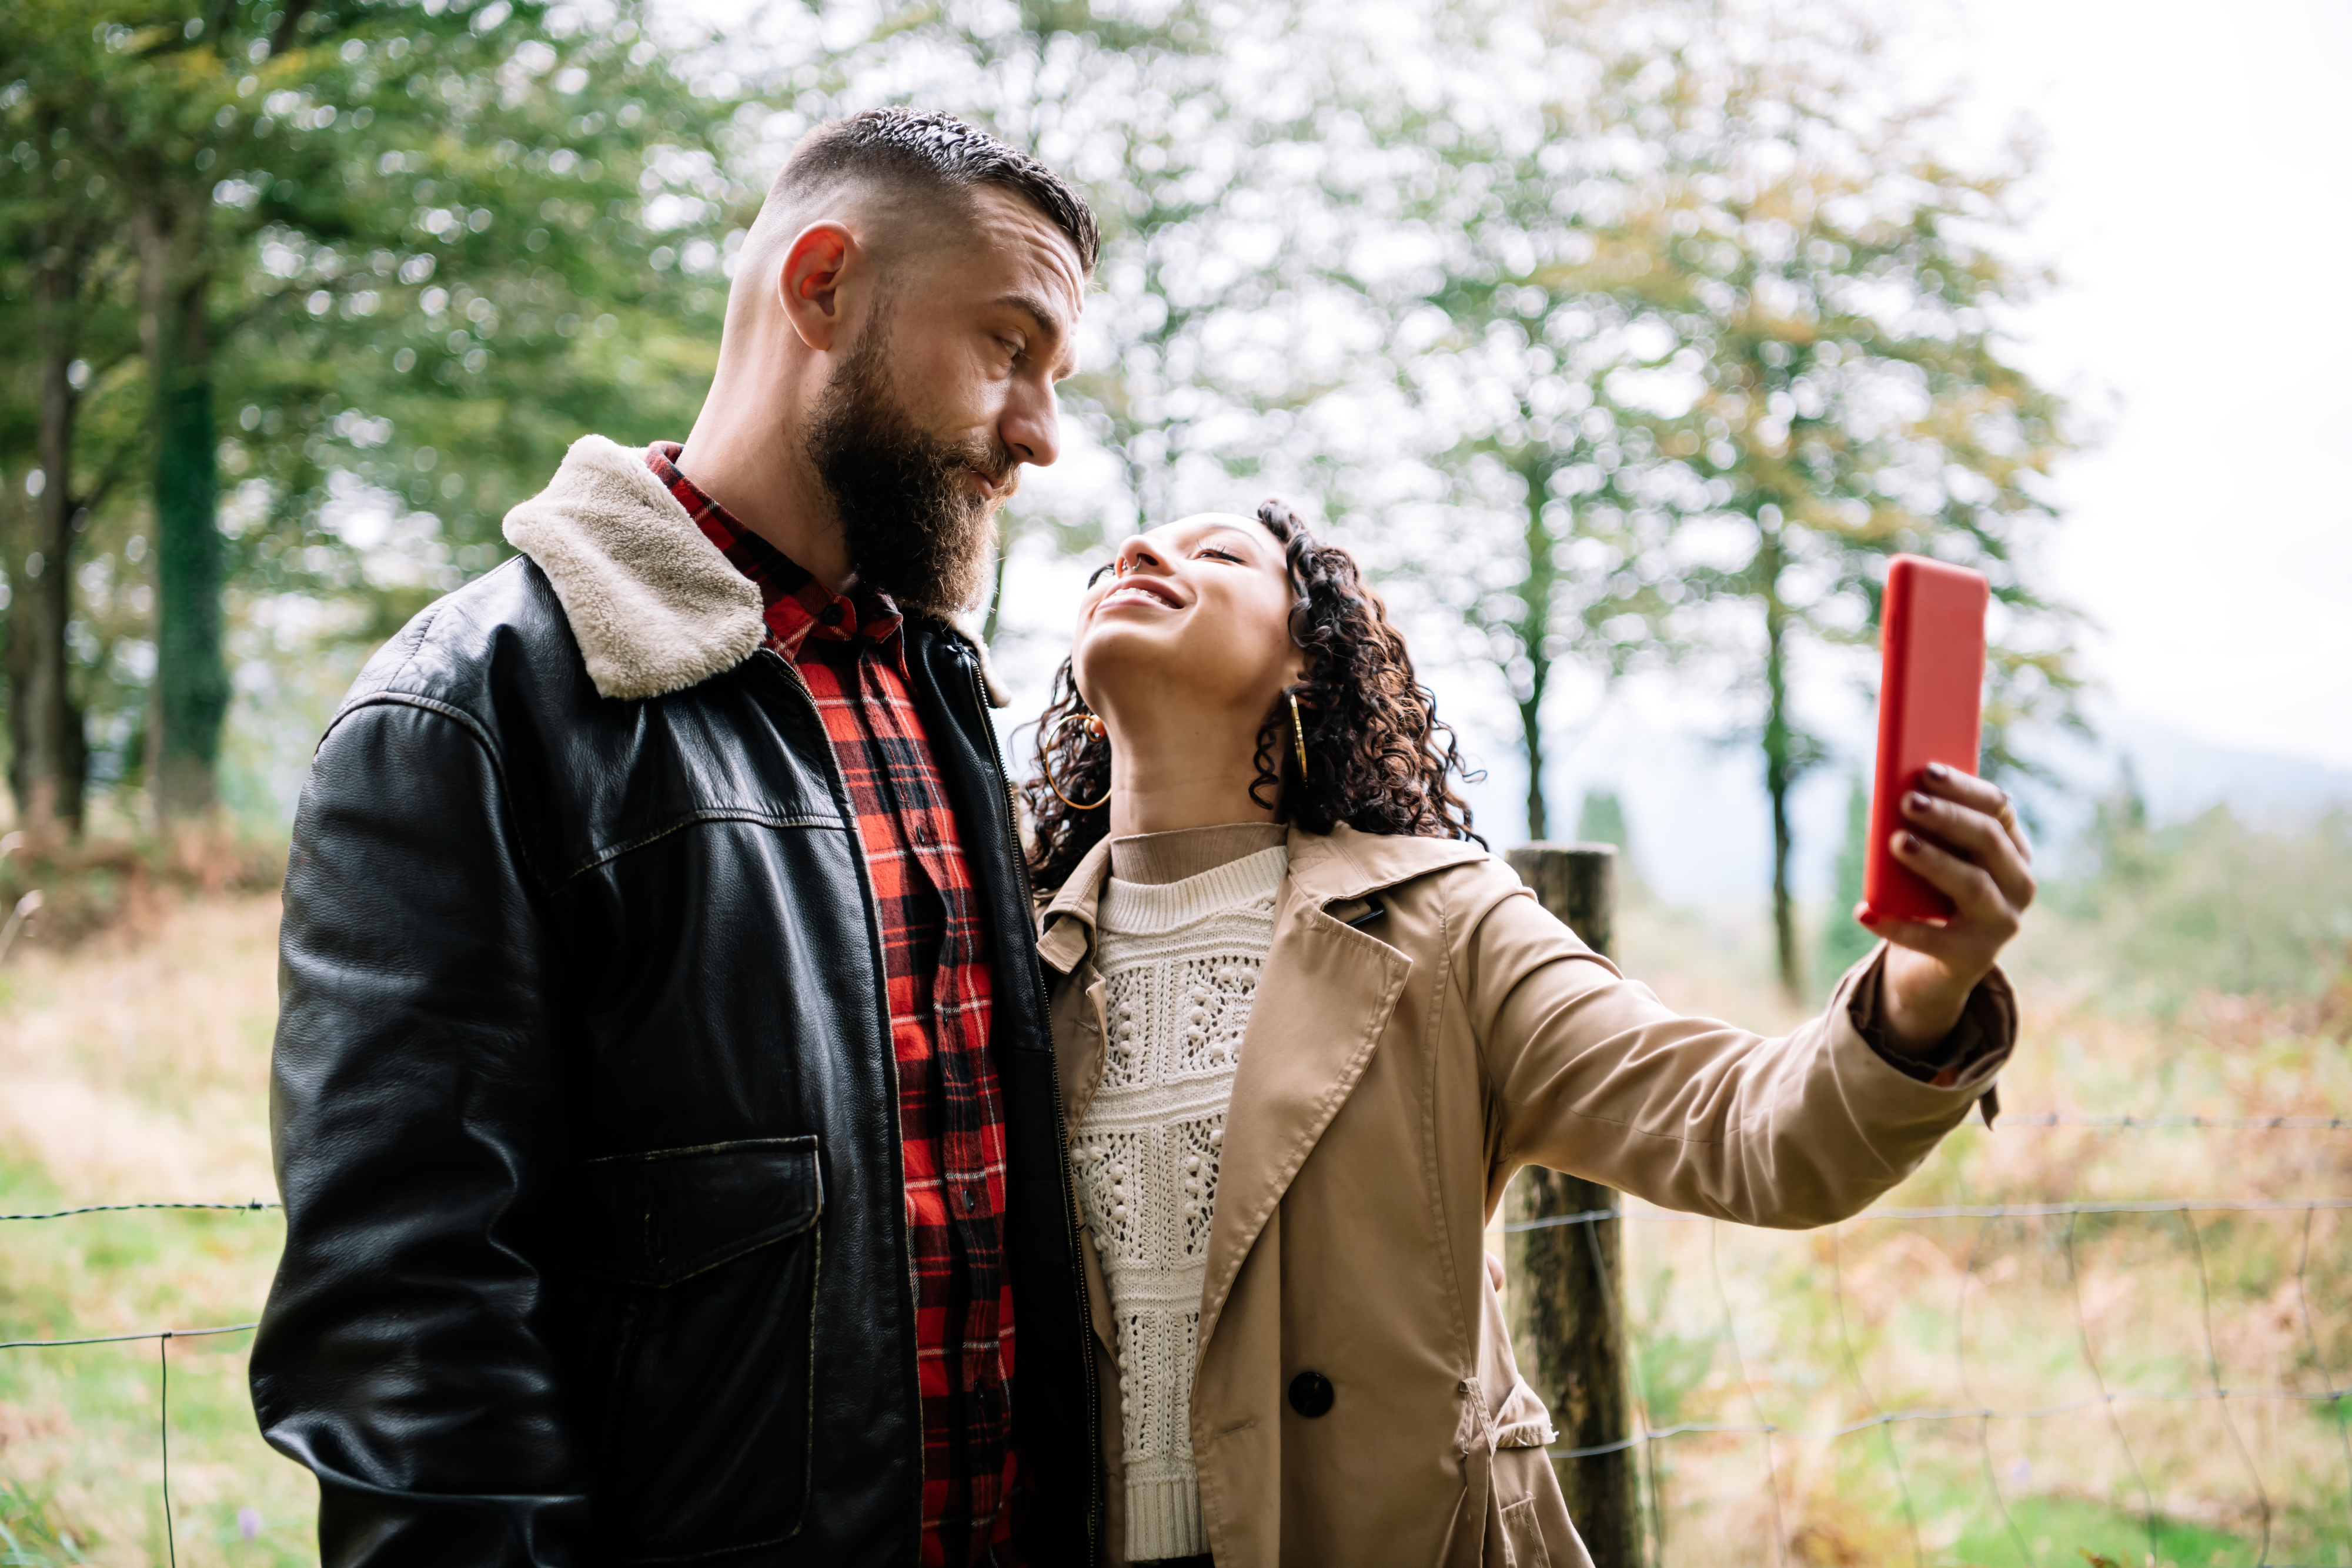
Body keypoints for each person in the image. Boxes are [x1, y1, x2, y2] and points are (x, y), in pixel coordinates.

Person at [252, 109, 1107, 1566]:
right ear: (821, 287)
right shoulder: (468, 711)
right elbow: (410, 1322)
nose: (1036, 432)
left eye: (1050, 375)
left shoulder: (939, 686)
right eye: (1005, 348)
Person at [1021, 503, 2029, 1568]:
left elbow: (1743, 1130)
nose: (1139, 556)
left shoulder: (1445, 929)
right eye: (1119, 557)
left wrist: (1922, 990)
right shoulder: (998, 958)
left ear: (1308, 665)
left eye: (1216, 553)